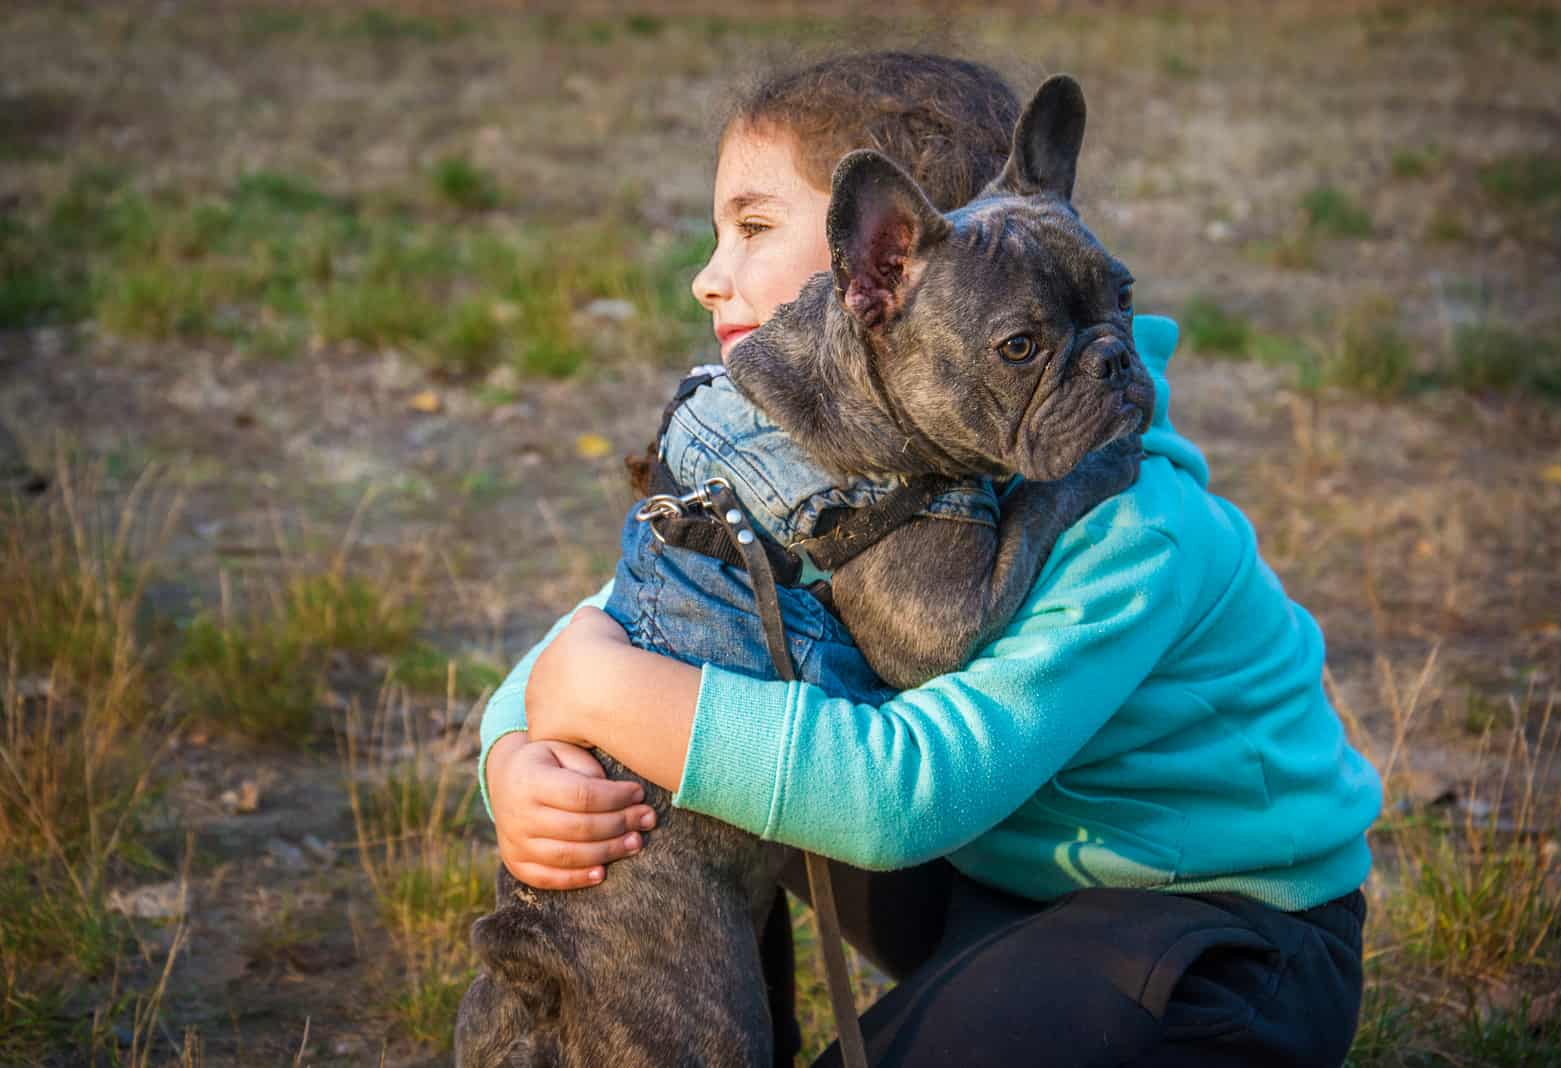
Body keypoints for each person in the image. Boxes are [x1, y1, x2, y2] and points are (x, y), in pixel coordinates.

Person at [478, 51, 1381, 1067]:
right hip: (987, 885)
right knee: (682, 720)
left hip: (1211, 938)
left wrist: (598, 688)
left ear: (886, 265)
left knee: (718, 739)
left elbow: (902, 798)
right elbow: (624, 631)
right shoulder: (827, 445)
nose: (707, 273)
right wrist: (518, 748)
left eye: (758, 228)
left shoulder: (1133, 532)